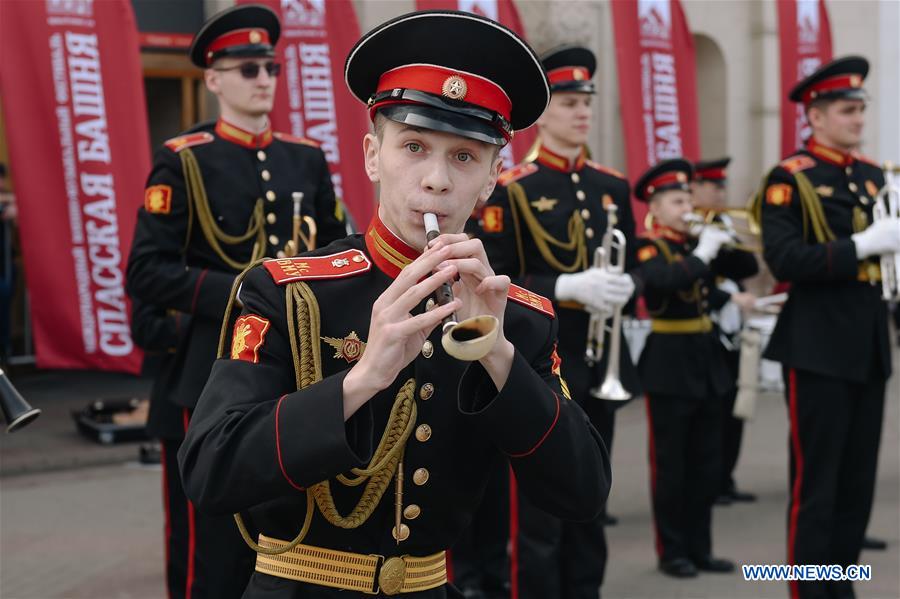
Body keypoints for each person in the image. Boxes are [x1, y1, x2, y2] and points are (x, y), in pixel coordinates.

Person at [177, 10, 610, 598]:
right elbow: (209, 470)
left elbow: (582, 492)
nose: (435, 180)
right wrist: (361, 380)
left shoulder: (522, 319)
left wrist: (501, 360)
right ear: (372, 156)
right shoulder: (286, 291)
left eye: (464, 157)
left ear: (490, 179)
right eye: (413, 146)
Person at [125, 5, 347, 598]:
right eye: (248, 68)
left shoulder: (305, 157)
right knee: (208, 553)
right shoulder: (185, 159)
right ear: (214, 79)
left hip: (294, 375)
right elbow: (147, 271)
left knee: (285, 544)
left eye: (270, 66)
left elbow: (332, 252)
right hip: (205, 375)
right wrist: (253, 293)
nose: (263, 78)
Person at [472, 45, 637, 599]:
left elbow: (632, 263)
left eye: (586, 101)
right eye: (568, 101)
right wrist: (567, 287)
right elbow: (495, 278)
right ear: (544, 112)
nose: (582, 111)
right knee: (537, 512)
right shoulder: (515, 188)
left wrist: (626, 286)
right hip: (538, 363)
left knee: (592, 495)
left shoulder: (612, 185)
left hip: (597, 360)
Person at [754, 56, 898, 599]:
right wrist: (862, 246)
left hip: (868, 345)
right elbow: (786, 260)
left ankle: (844, 587)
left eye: (861, 108)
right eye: (846, 109)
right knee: (817, 486)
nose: (858, 118)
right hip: (818, 346)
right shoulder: (789, 179)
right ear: (815, 116)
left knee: (857, 487)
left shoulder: (872, 176)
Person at [634, 158, 758, 578]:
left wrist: (722, 241)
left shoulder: (696, 243)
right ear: (656, 205)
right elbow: (661, 284)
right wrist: (704, 254)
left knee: (707, 463)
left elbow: (749, 269)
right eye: (676, 199)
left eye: (688, 197)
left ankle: (701, 547)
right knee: (672, 466)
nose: (686, 206)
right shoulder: (649, 245)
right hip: (670, 360)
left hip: (706, 361)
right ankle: (673, 551)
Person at [690, 157, 759, 505]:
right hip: (708, 324)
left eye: (722, 187)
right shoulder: (688, 228)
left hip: (731, 326)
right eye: (713, 186)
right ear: (694, 187)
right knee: (713, 412)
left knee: (735, 404)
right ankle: (711, 481)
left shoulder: (721, 223)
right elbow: (694, 281)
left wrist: (730, 239)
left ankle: (726, 476)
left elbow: (748, 265)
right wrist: (728, 294)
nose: (720, 193)